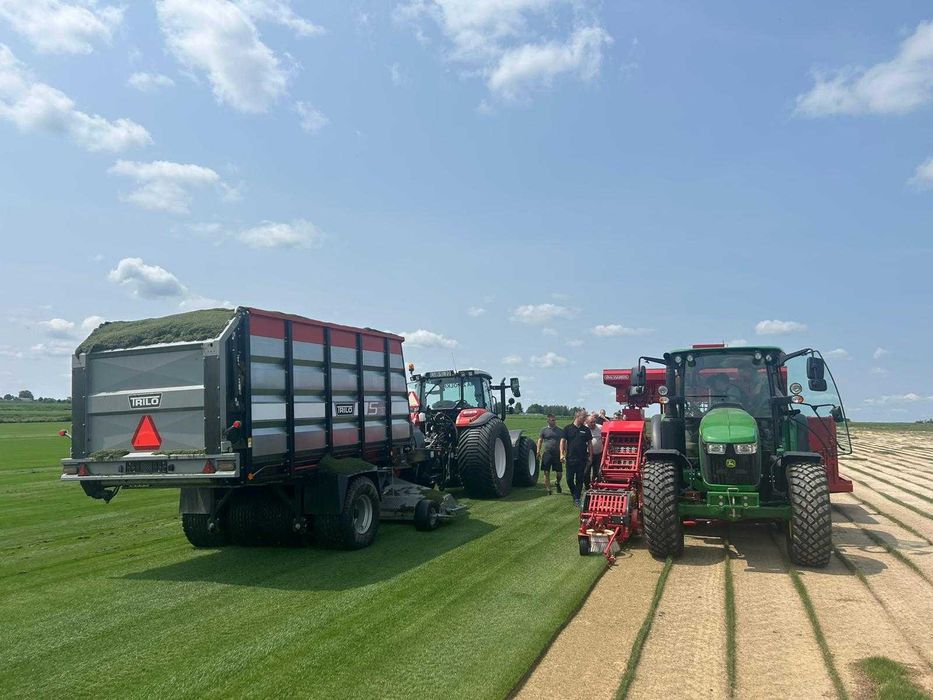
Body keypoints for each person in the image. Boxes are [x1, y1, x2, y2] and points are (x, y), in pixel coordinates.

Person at [560, 410, 593, 508]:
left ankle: (577, 498)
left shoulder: (586, 430)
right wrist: (561, 454)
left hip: (582, 459)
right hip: (570, 458)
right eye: (584, 417)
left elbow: (590, 444)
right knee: (569, 479)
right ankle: (575, 493)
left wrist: (590, 456)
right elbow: (562, 441)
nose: (585, 419)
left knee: (579, 479)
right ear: (577, 416)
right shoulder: (567, 428)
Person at [537, 414, 563, 495]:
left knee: (559, 473)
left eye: (555, 420)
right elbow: (540, 440)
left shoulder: (560, 430)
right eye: (552, 420)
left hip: (557, 454)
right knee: (546, 472)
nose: (554, 421)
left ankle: (557, 482)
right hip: (547, 453)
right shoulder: (544, 430)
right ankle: (548, 490)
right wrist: (538, 451)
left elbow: (564, 442)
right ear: (548, 421)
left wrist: (564, 453)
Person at [584, 413, 603, 490]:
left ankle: (595, 487)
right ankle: (587, 487)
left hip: (598, 454)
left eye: (594, 422)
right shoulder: (584, 429)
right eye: (591, 422)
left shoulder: (600, 427)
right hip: (587, 454)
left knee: (597, 471)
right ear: (587, 423)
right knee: (586, 472)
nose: (593, 424)